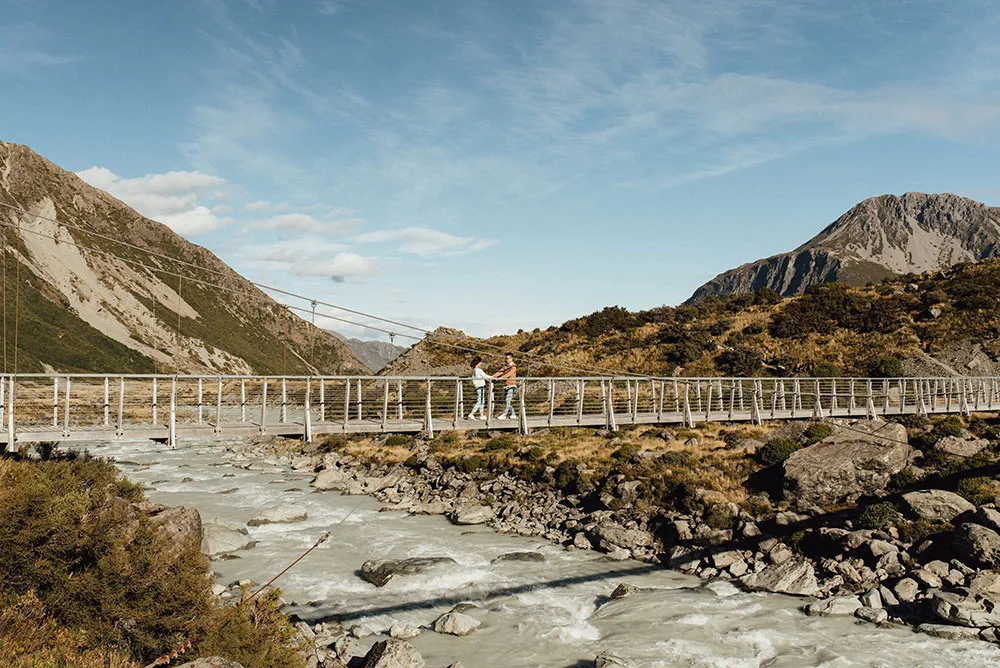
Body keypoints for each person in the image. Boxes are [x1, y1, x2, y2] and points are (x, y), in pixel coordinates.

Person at [493, 352, 517, 420]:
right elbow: (500, 372)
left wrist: (501, 378)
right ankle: (513, 414)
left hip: (512, 385)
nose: (506, 360)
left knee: (507, 400)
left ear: (511, 358)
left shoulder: (514, 367)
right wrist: (492, 377)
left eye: (508, 358)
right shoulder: (505, 366)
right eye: (505, 359)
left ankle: (504, 414)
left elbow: (509, 374)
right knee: (508, 401)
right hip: (507, 385)